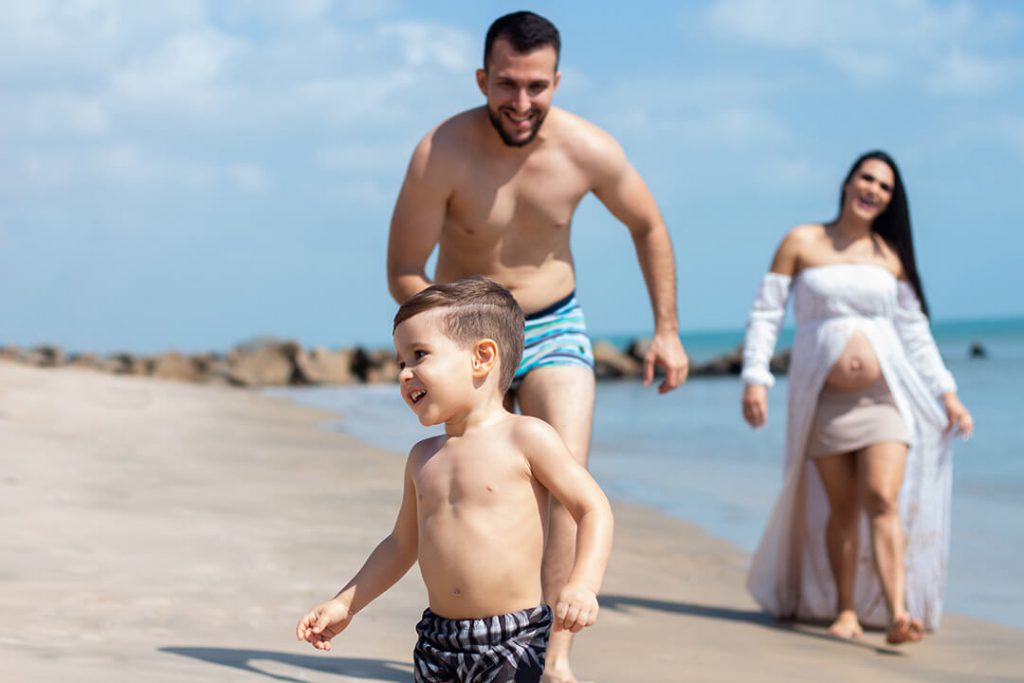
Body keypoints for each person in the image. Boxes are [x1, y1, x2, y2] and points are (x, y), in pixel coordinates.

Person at [386, 11, 687, 680]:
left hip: (552, 323)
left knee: (560, 477)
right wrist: (451, 329)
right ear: (482, 78)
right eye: (506, 85)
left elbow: (649, 224)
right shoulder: (441, 152)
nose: (521, 103)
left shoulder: (588, 149)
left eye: (536, 86)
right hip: (469, 334)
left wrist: (666, 328)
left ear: (557, 81)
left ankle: (554, 659)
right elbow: (404, 266)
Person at [296, 277, 614, 683]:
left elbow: (592, 507)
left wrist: (583, 584)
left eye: (419, 355)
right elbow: (400, 545)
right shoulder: (422, 458)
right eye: (400, 362)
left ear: (481, 357)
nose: (404, 374)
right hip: (437, 639)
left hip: (510, 638)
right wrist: (346, 603)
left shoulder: (526, 437)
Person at [740, 150, 974, 645]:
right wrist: (755, 376)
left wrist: (948, 394)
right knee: (842, 509)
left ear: (891, 200)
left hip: (888, 398)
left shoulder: (889, 257)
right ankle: (845, 610)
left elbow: (915, 333)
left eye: (885, 187)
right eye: (867, 179)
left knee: (882, 498)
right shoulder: (801, 241)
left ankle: (897, 613)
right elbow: (767, 313)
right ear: (848, 183)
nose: (874, 190)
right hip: (826, 402)